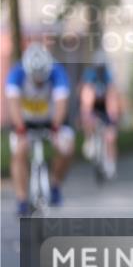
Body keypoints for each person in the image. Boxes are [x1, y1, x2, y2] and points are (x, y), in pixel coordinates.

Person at [5, 43, 75, 215]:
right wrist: (21, 128)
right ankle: (22, 199)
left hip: (52, 120)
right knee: (19, 152)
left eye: (41, 77)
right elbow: (13, 106)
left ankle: (56, 184)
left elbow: (61, 105)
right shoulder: (16, 73)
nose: (38, 81)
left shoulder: (58, 72)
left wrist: (56, 126)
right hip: (25, 121)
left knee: (66, 148)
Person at [79, 50, 121, 178]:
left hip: (105, 106)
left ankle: (111, 162)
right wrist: (86, 112)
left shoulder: (108, 75)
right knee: (87, 115)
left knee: (110, 136)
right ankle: (89, 140)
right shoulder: (89, 75)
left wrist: (113, 115)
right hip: (93, 106)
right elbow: (85, 94)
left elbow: (112, 95)